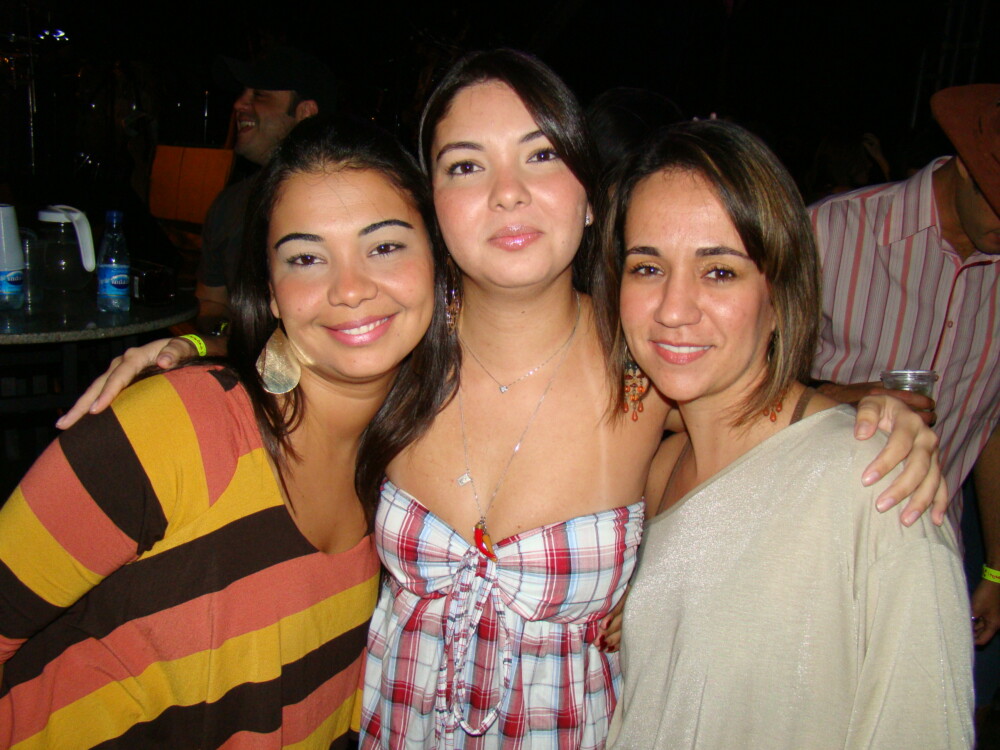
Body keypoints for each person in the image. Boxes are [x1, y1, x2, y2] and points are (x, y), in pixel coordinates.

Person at [56, 50, 945, 750]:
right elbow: (291, 343)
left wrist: (869, 415)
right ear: (432, 205)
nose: (508, 192)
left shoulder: (646, 365)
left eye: (541, 155)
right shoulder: (397, 350)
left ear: (591, 197)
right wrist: (189, 350)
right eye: (466, 164)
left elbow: (758, 404)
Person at [0, 116, 454, 748]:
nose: (350, 289)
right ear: (271, 291)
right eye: (306, 258)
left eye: (384, 247)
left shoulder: (417, 479)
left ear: (438, 261)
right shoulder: (173, 428)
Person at [602, 120, 973, 749]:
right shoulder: (660, 468)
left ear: (779, 294)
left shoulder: (875, 479)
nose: (673, 308)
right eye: (647, 267)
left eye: (720, 271)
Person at [807, 85, 1000, 655]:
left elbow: (991, 425)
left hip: (926, 563)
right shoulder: (830, 232)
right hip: (806, 548)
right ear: (963, 165)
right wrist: (836, 394)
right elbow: (730, 384)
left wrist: (995, 570)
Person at [177, 47, 336, 347]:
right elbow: (211, 302)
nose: (239, 104)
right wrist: (227, 339)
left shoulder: (346, 202)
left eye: (259, 95)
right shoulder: (228, 204)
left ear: (305, 113)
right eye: (242, 93)